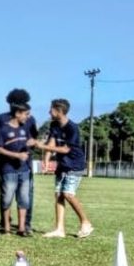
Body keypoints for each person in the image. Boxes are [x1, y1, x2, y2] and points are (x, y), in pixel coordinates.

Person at [38, 99, 94, 239]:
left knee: (68, 194)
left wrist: (43, 146)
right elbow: (51, 142)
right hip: (62, 165)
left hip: (74, 164)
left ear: (59, 111)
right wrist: (45, 160)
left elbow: (65, 149)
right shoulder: (54, 125)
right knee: (59, 195)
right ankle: (59, 229)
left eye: (51, 109)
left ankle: (86, 222)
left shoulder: (72, 128)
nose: (49, 112)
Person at [0, 89, 39, 231]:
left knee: (26, 195)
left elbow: (33, 138)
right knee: (6, 194)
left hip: (25, 163)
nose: (19, 105)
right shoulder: (0, 119)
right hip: (5, 165)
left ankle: (25, 225)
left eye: (22, 102)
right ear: (10, 103)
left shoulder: (30, 119)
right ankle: (5, 223)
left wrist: (33, 145)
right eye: (16, 103)